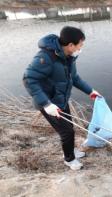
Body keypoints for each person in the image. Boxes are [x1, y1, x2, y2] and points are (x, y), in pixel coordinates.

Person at [23, 26, 101, 170]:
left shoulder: (69, 57)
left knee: (69, 128)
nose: (81, 47)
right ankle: (69, 159)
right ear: (71, 45)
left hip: (61, 99)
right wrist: (46, 104)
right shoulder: (45, 57)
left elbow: (75, 78)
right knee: (66, 132)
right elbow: (28, 79)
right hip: (49, 103)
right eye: (80, 44)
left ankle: (71, 151)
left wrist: (90, 91)